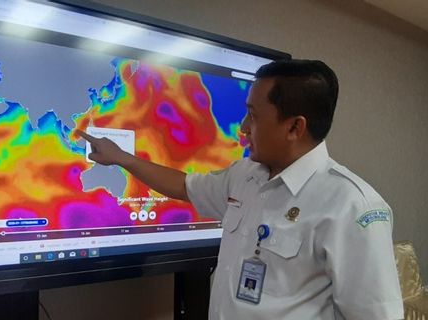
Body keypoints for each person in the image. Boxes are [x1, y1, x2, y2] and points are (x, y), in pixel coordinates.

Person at [77, 59, 404, 320]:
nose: (244, 129)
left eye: (252, 116)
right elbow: (183, 186)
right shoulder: (246, 175)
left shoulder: (351, 207)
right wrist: (121, 158)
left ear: (294, 127)